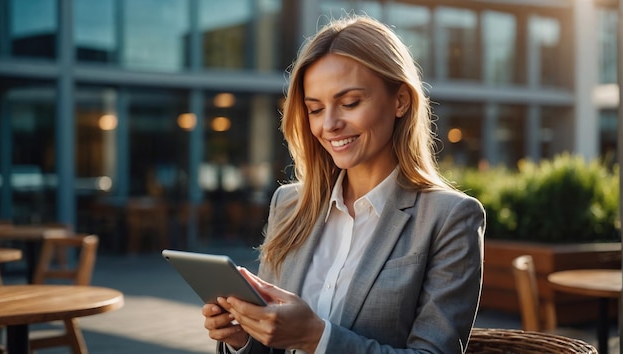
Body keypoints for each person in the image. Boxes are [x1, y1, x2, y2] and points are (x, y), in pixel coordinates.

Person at [203, 14, 486, 354]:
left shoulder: (450, 218)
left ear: (400, 100)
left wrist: (316, 337)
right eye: (315, 109)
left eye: (350, 103)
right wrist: (242, 339)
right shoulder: (289, 204)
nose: (330, 124)